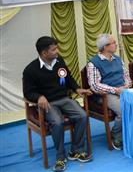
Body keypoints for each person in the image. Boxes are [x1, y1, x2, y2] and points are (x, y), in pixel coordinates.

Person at [23, 36, 92, 172]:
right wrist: (39, 97)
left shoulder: (59, 61)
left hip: (64, 99)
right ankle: (60, 156)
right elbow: (28, 92)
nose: (57, 51)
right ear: (44, 53)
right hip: (48, 103)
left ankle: (76, 150)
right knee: (57, 122)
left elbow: (68, 79)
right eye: (54, 49)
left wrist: (77, 88)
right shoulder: (30, 70)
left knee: (82, 115)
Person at [86, 34, 132, 151]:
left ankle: (130, 132)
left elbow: (126, 75)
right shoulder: (94, 63)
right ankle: (115, 134)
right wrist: (115, 90)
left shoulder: (118, 59)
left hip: (123, 90)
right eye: (113, 42)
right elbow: (95, 85)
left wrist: (126, 85)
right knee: (123, 111)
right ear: (105, 46)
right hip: (106, 94)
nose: (116, 44)